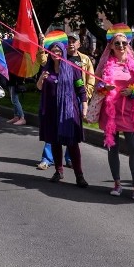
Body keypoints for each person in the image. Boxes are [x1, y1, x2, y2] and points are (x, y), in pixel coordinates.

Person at [96, 31, 134, 203]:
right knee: (112, 149)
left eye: (124, 43)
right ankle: (117, 184)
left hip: (130, 112)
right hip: (111, 111)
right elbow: (98, 88)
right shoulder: (106, 65)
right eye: (117, 43)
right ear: (111, 46)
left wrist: (133, 91)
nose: (121, 46)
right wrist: (104, 89)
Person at [36, 38, 88, 187]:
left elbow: (80, 88)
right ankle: (59, 171)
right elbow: (39, 87)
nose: (55, 53)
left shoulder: (72, 67)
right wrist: (41, 78)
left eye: (58, 50)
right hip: (51, 111)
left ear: (63, 52)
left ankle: (79, 175)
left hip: (69, 111)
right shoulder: (47, 68)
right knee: (55, 141)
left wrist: (84, 106)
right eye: (53, 51)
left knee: (72, 143)